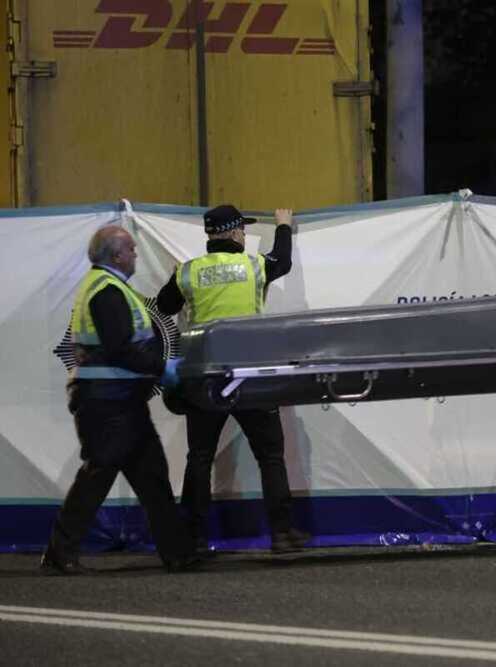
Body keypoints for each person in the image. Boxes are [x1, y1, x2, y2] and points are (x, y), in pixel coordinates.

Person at [41, 227, 199, 575]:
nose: (135, 254)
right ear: (116, 256)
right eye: (131, 249)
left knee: (152, 476)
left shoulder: (108, 288)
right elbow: (121, 349)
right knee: (98, 475)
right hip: (107, 401)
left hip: (119, 400)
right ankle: (59, 553)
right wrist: (163, 367)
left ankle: (179, 553)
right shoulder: (107, 292)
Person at [156, 205, 310, 554]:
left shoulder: (188, 271)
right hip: (248, 378)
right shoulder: (253, 266)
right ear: (236, 233)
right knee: (270, 456)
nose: (243, 235)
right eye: (242, 230)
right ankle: (282, 534)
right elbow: (282, 261)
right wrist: (284, 226)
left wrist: (174, 278)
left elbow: (164, 307)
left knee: (200, 457)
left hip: (205, 379)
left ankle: (193, 537)